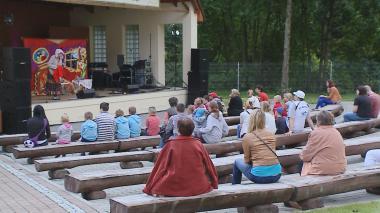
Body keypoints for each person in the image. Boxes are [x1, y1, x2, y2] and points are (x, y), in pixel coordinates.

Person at [143, 118, 218, 196]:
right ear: (192, 129)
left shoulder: (170, 145)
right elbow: (209, 165)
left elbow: (160, 168)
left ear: (178, 130)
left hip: (175, 185)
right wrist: (214, 182)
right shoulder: (198, 144)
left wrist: (149, 187)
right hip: (198, 186)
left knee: (158, 187)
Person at [232, 110, 281, 184]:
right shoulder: (271, 134)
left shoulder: (247, 137)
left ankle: (235, 187)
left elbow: (247, 160)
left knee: (237, 162)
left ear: (251, 121)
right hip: (276, 174)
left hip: (259, 176)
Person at [300, 111, 346, 176]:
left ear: (318, 121)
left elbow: (306, 156)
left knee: (302, 163)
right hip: (340, 167)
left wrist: (302, 155)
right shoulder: (336, 132)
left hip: (323, 169)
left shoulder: (316, 133)